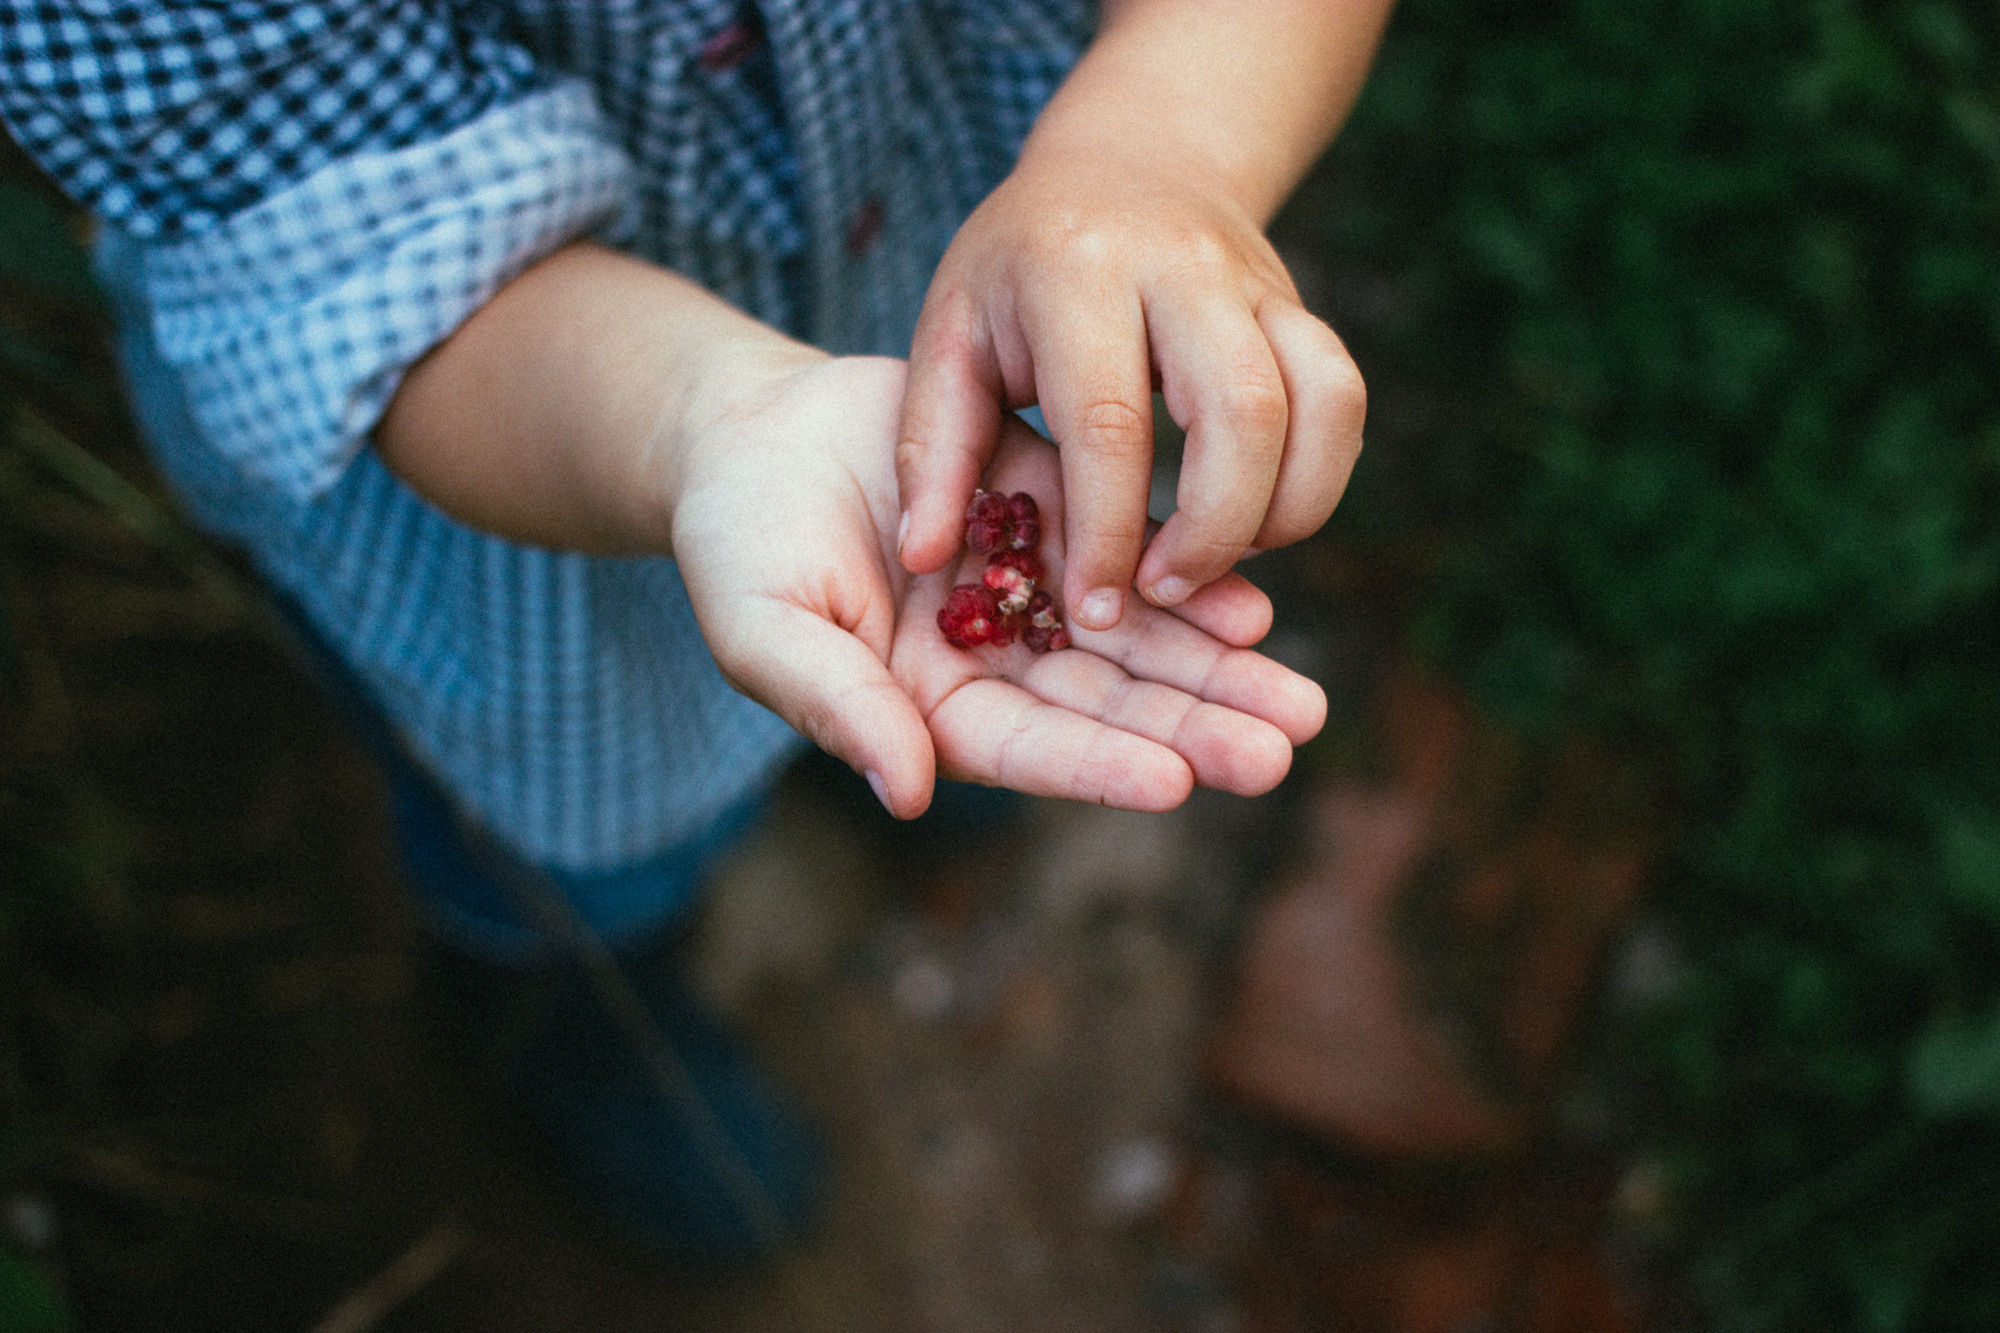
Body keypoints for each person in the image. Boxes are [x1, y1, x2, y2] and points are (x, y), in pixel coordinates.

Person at [0, 0, 1388, 1259]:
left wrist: (1158, 152)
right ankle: (568, 1009)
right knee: (576, 854)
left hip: (948, 251)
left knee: (888, 678)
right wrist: (712, 430)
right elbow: (361, 249)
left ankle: (851, 785)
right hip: (521, 470)